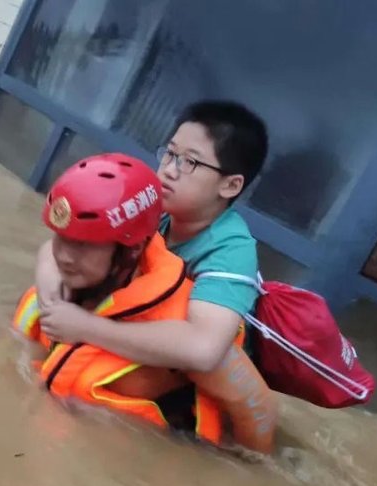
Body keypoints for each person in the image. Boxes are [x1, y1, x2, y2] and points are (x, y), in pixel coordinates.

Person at [12, 153, 276, 453]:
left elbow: (260, 409)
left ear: (133, 248)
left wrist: (244, 469)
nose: (65, 256)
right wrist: (50, 300)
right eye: (62, 238)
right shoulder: (62, 284)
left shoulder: (179, 329)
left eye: (84, 244)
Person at [34, 100, 269, 376]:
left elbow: (203, 349)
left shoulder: (232, 251)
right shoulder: (151, 206)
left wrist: (85, 327)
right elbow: (58, 248)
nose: (169, 169)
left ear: (230, 185)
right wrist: (53, 307)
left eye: (189, 162)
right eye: (170, 154)